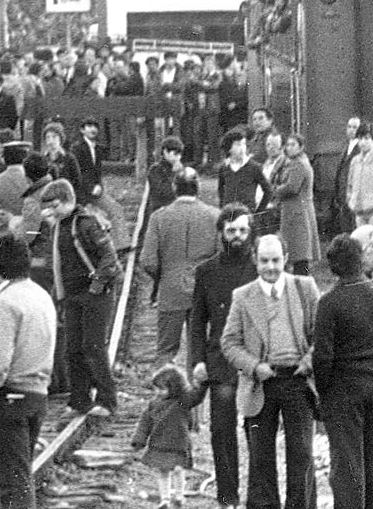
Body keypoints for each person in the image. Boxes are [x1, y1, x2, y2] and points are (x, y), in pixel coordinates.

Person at [220, 234, 319, 509]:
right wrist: (254, 366)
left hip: (298, 380)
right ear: (255, 260)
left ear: (286, 259)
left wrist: (309, 362)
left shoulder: (305, 288)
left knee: (302, 454)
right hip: (262, 384)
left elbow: (322, 335)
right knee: (260, 455)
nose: (271, 267)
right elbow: (229, 343)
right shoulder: (242, 296)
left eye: (276, 260)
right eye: (264, 261)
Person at [181, 204, 260, 508]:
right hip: (220, 360)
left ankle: (258, 495)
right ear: (221, 233)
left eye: (242, 230)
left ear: (250, 232)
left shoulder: (259, 268)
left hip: (255, 359)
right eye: (231, 231)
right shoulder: (207, 271)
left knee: (256, 429)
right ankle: (228, 496)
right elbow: (198, 321)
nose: (237, 237)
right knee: (221, 430)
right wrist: (197, 360)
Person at [312, 234, 373, 509]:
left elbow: (322, 357)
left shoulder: (329, 302)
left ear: (333, 266)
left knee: (348, 462)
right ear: (360, 260)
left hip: (344, 385)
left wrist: (322, 392)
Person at [0, 235, 55, 509]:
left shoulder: (5, 303)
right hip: (38, 394)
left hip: (10, 395)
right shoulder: (41, 295)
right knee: (23, 472)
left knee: (13, 480)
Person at [40, 179, 120, 418]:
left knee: (93, 347)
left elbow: (109, 258)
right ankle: (79, 400)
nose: (50, 211)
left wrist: (96, 287)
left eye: (54, 205)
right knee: (73, 349)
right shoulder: (58, 227)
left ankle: (108, 400)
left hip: (95, 293)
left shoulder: (86, 223)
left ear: (68, 201)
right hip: (73, 295)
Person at [140, 168, 220, 363]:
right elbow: (220, 256)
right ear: (197, 188)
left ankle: (166, 391)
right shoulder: (215, 216)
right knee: (200, 349)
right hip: (204, 292)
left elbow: (147, 260)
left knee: (166, 350)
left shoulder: (159, 217)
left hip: (170, 290)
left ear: (174, 187)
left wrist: (162, 277)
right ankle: (195, 390)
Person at [131, 364, 202, 509]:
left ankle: (179, 495)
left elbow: (196, 397)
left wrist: (201, 383)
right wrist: (139, 440)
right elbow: (145, 423)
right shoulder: (154, 404)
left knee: (178, 470)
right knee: (162, 471)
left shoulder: (182, 402)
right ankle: (164, 499)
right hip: (159, 443)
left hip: (179, 444)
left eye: (162, 389)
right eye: (156, 388)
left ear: (174, 388)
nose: (158, 392)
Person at [271, 134, 321, 276]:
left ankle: (303, 283)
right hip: (297, 211)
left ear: (301, 147)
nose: (289, 148)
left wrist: (275, 189)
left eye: (293, 145)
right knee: (299, 252)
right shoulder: (293, 162)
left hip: (297, 213)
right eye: (287, 145)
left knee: (300, 253)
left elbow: (292, 187)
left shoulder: (298, 164)